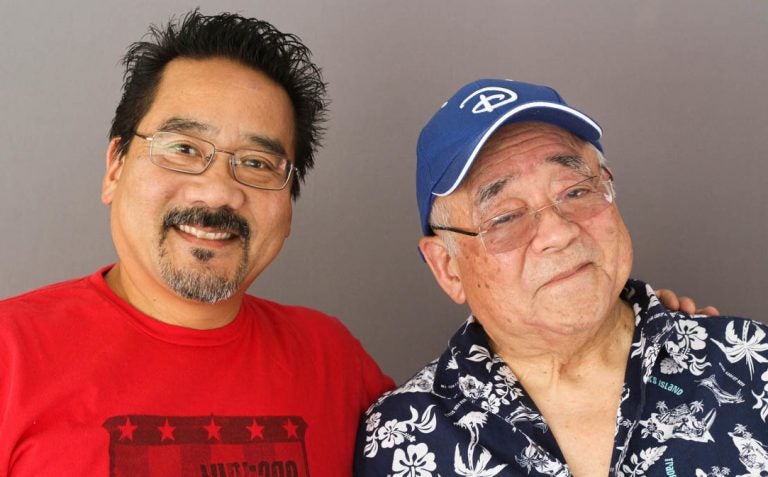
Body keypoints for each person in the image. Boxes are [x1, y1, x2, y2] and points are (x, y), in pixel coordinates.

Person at [0, 11, 394, 476]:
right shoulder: (10, 354)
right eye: (184, 149)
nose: (218, 192)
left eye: (256, 163)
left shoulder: (335, 361)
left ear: (289, 205)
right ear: (115, 167)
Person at [354, 79, 767, 476]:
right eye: (506, 217)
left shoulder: (751, 367)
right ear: (447, 267)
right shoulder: (402, 441)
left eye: (575, 191)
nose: (557, 232)